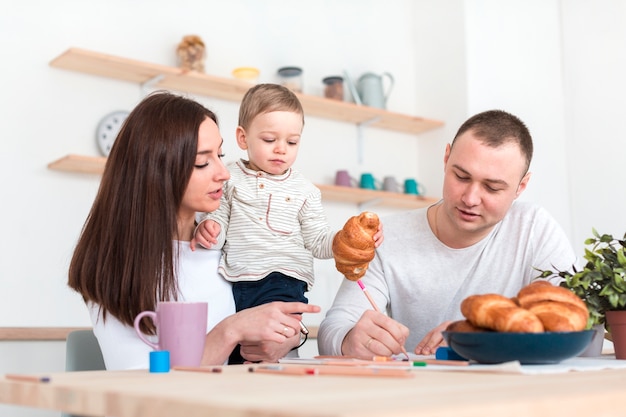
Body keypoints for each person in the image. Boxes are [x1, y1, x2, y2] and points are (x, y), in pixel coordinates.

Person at [68, 91, 319, 370]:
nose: (224, 173)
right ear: (158, 169)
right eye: (203, 162)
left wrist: (291, 336)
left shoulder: (229, 242)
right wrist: (230, 330)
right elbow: (141, 385)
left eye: (221, 155)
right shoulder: (118, 267)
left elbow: (274, 321)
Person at [317, 109, 577, 359]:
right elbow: (334, 327)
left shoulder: (534, 228)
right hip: (419, 395)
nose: (471, 198)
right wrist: (349, 339)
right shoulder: (385, 237)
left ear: (521, 187)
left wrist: (476, 334)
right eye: (462, 176)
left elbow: (570, 318)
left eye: (492, 187)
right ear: (446, 159)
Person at [192, 83, 382, 363]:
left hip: (285, 280)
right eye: (270, 140)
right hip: (237, 280)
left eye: (292, 142)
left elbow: (317, 240)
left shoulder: (305, 190)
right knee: (238, 352)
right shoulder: (228, 177)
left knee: (273, 344)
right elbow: (218, 215)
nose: (281, 149)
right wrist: (210, 230)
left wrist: (343, 241)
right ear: (243, 138)